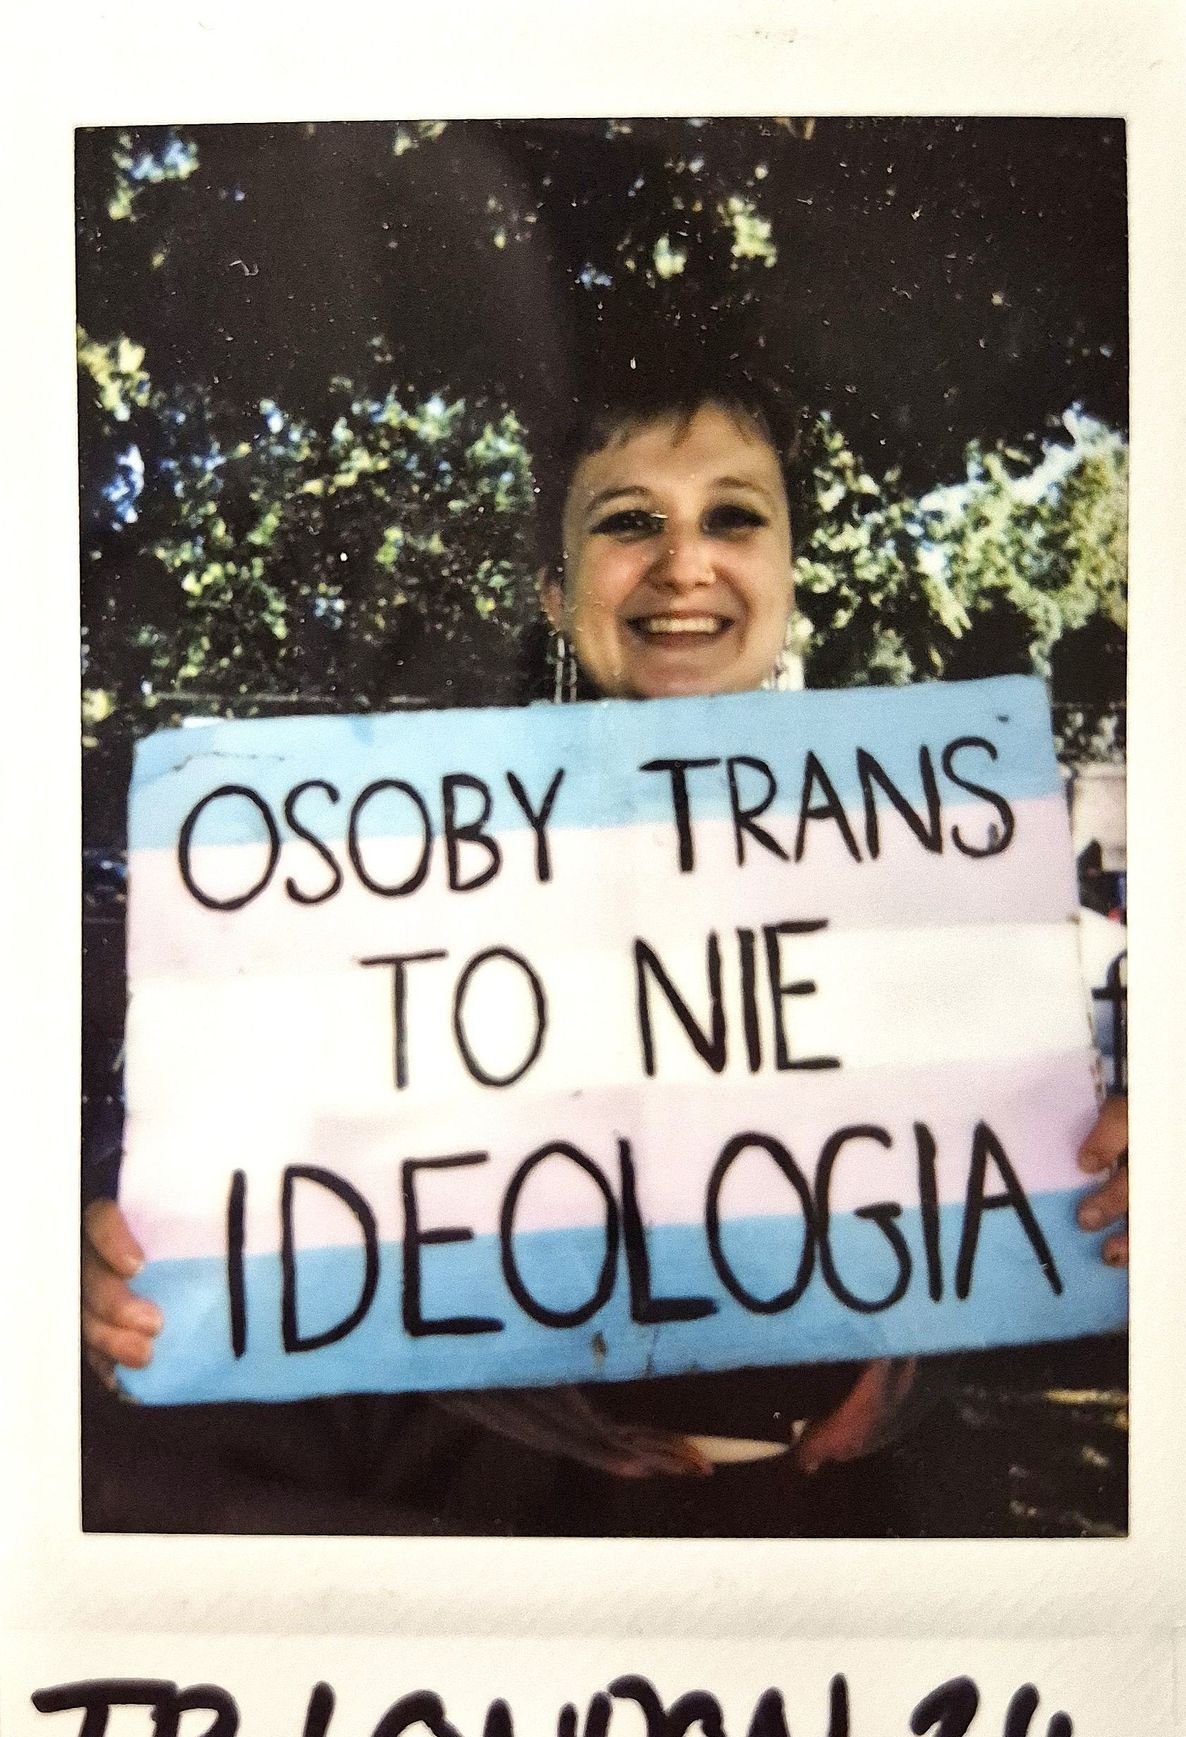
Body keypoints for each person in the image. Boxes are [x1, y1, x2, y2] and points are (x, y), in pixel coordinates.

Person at [82, 361, 1129, 1534]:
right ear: (553, 587)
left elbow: (993, 1183)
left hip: (836, 1538)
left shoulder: (929, 866)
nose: (686, 563)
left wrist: (1105, 1200)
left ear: (787, 572)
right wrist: (121, 1263)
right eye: (630, 521)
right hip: (507, 1535)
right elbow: (283, 1202)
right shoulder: (390, 873)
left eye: (734, 516)